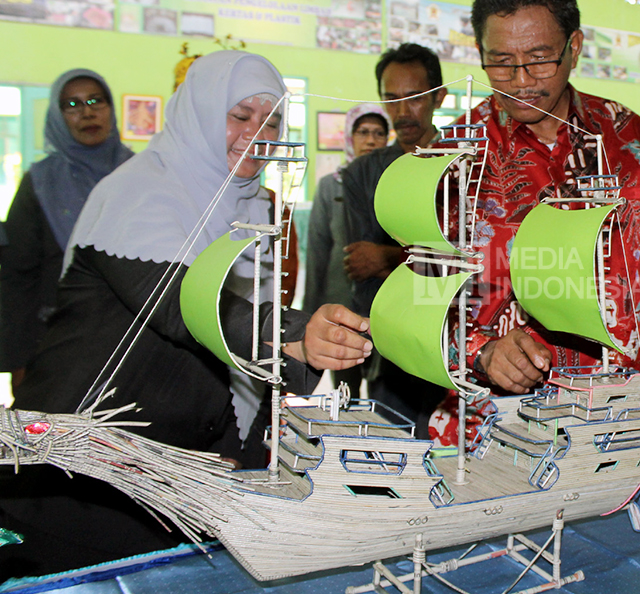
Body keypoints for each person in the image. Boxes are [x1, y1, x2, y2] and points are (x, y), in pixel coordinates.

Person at [0, 50, 371, 576]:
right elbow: (182, 303)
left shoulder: (254, 207)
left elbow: (246, 357)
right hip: (82, 470)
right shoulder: (140, 191)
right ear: (199, 112)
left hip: (176, 471)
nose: (257, 134)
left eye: (271, 121)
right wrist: (293, 332)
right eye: (239, 116)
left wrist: (241, 449)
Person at [438, 0, 640, 416]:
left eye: (539, 59)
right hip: (497, 416)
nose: (521, 81)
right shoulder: (454, 154)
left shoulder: (626, 136)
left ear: (575, 47)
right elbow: (420, 294)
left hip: (622, 405)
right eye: (501, 62)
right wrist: (481, 351)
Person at [0, 69, 133, 393]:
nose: (87, 112)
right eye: (72, 105)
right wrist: (18, 361)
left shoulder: (139, 174)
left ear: (110, 108)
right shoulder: (40, 182)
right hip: (52, 341)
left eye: (96, 101)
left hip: (128, 342)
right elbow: (17, 277)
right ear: (58, 116)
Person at [342, 43, 448, 436]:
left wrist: (389, 257)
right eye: (392, 99)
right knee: (393, 449)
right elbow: (360, 263)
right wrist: (433, 258)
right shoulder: (363, 173)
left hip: (454, 336)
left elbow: (474, 258)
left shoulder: (461, 164)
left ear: (439, 97)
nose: (402, 112)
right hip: (390, 343)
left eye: (415, 98)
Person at [304, 104, 391, 394]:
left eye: (378, 133)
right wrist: (308, 313)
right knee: (345, 389)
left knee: (384, 386)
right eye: (363, 132)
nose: (371, 140)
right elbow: (317, 251)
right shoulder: (330, 187)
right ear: (350, 138)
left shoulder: (396, 185)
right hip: (341, 303)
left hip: (384, 303)